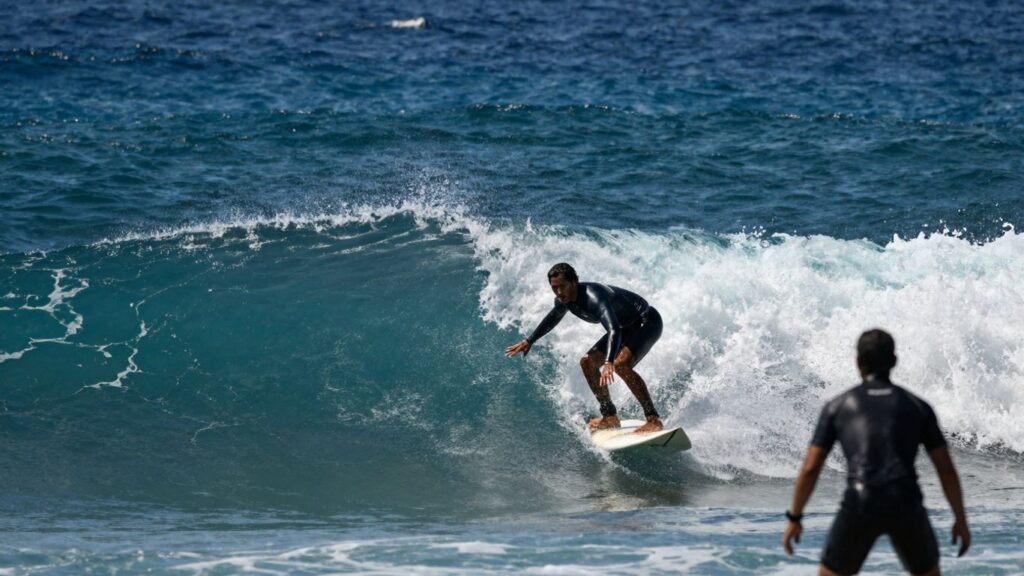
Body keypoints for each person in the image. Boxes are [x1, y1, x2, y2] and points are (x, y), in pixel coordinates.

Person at [782, 329, 971, 575]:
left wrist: (795, 519)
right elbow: (945, 469)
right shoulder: (918, 407)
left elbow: (810, 468)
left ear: (858, 362)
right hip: (905, 502)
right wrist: (960, 520)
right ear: (894, 361)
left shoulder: (837, 407)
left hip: (860, 503)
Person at [505, 262, 664, 433]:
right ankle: (610, 416)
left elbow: (613, 329)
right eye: (554, 288)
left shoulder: (594, 298)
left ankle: (653, 419)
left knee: (620, 365)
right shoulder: (563, 300)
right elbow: (553, 317)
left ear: (574, 282)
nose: (559, 292)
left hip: (646, 321)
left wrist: (609, 361)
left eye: (562, 287)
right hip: (624, 327)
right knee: (587, 362)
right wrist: (530, 341)